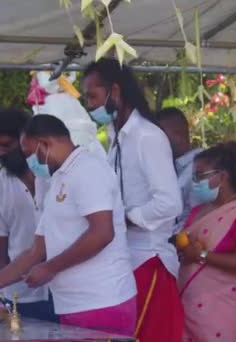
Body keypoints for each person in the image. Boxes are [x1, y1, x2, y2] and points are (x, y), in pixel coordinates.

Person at [0, 115, 137, 335]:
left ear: (44, 144)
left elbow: (102, 233)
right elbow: (37, 250)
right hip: (73, 306)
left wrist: (51, 268)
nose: (28, 162)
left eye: (28, 153)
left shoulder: (88, 168)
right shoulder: (56, 179)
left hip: (102, 302)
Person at [82, 58, 184, 342]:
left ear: (115, 91)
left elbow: (169, 203)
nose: (89, 105)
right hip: (124, 261)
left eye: (93, 96)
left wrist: (125, 218)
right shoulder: (116, 138)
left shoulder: (147, 137)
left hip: (149, 260)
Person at [178, 142, 236, 341]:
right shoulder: (198, 211)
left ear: (222, 176)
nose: (195, 182)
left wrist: (201, 255)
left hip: (224, 311)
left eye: (200, 176)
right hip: (189, 309)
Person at [0, 109, 56, 322]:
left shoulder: (56, 174)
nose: (2, 153)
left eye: (8, 144)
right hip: (21, 299)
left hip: (66, 292)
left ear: (25, 139)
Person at [157, 107, 204, 232]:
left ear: (178, 134)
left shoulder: (201, 167)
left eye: (159, 134)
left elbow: (198, 217)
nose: (154, 140)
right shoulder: (169, 168)